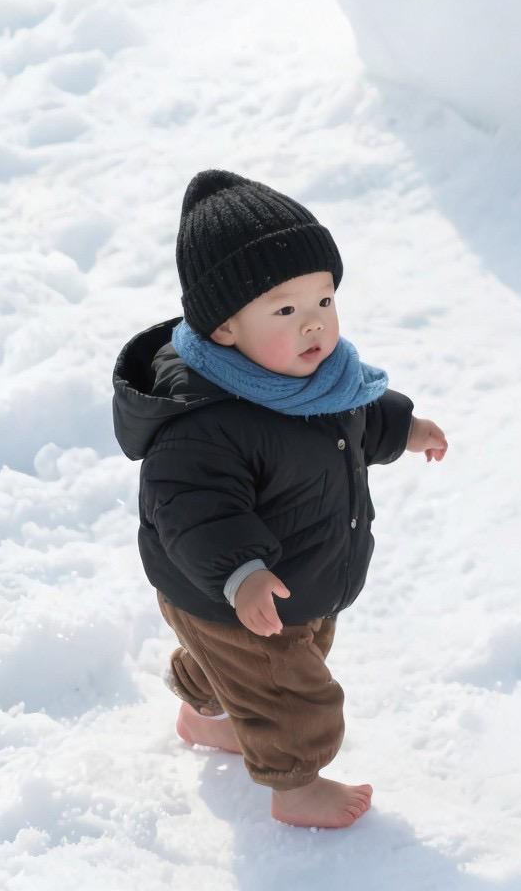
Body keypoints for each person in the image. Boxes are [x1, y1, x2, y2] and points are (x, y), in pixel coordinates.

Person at [112, 168, 447, 829]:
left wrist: (402, 427)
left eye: (323, 301)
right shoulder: (205, 423)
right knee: (291, 690)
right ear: (226, 331)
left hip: (297, 577)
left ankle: (205, 714)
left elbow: (357, 417)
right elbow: (194, 509)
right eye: (286, 311)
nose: (314, 325)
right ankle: (295, 787)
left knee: (272, 660)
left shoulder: (318, 379)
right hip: (225, 588)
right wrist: (240, 573)